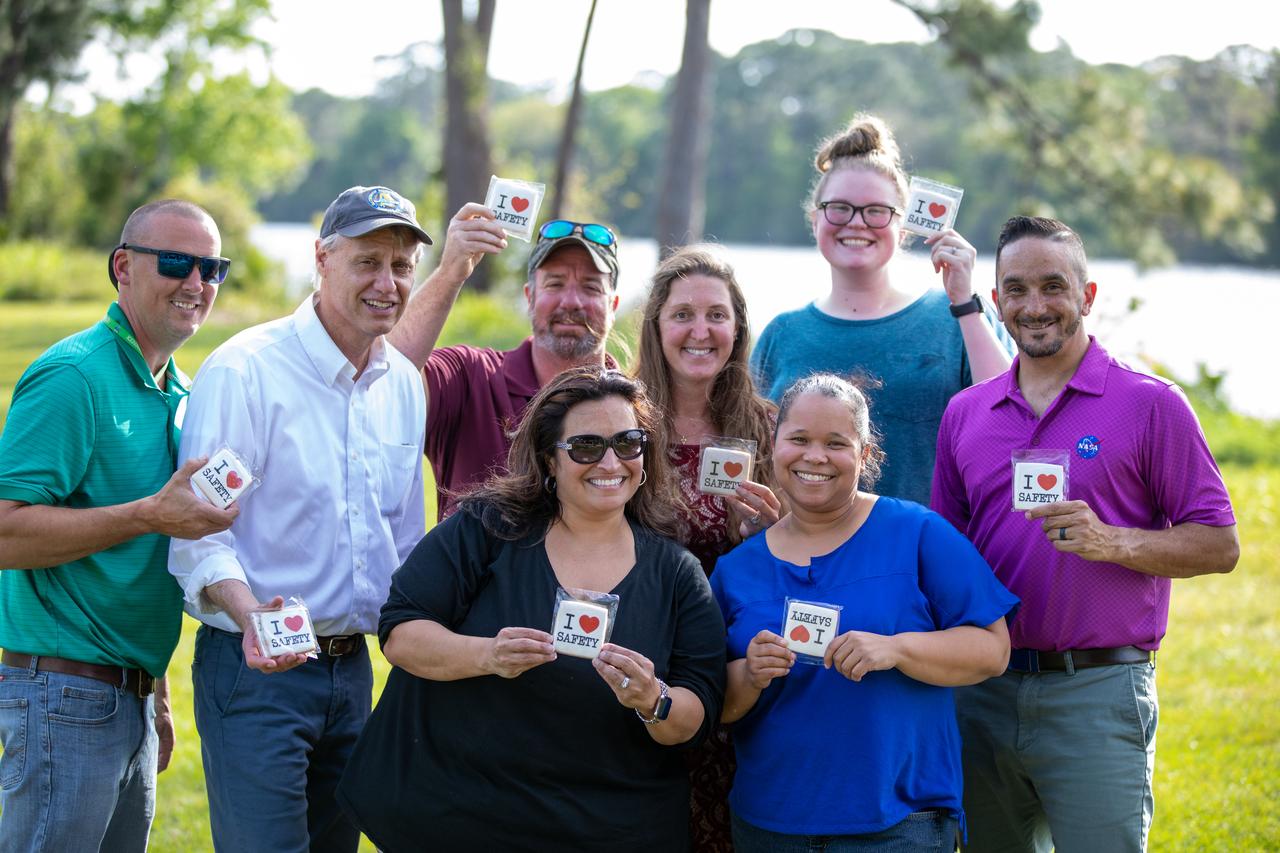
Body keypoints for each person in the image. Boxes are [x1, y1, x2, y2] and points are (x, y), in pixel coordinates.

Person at [931, 215, 1239, 853]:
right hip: (984, 691)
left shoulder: (1151, 404)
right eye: (1015, 289)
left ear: (1087, 296)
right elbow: (945, 557)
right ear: (996, 301)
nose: (1034, 306)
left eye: (1053, 286)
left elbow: (1220, 544)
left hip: (1097, 692)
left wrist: (1115, 542)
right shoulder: (966, 413)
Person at [335, 367, 727, 852]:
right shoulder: (487, 528)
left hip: (608, 830)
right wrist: (487, 656)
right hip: (461, 820)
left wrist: (652, 699)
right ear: (549, 460)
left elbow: (697, 715)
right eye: (586, 446)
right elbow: (400, 632)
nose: (610, 462)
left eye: (628, 443)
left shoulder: (677, 573)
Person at [167, 185, 431, 853]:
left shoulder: (403, 382)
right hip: (256, 674)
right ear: (322, 258)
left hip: (353, 673)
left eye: (401, 266)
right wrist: (250, 612)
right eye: (367, 261)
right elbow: (198, 532)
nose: (387, 282)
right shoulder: (245, 371)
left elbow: (403, 541)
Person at [0, 200, 237, 852]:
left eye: (212, 267)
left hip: (125, 699)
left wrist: (154, 695)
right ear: (123, 267)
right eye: (177, 263)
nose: (197, 283)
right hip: (61, 692)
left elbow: (143, 565)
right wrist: (148, 514)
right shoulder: (74, 376)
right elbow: (5, 532)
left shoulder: (181, 392)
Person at [712, 373, 1017, 851]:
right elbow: (715, 705)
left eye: (836, 443)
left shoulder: (917, 533)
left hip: (897, 824)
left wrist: (897, 649)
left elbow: (993, 650)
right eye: (799, 439)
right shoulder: (735, 570)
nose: (815, 456)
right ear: (773, 448)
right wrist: (751, 673)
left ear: (866, 455)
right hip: (770, 824)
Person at [750, 113, 1013, 506]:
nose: (857, 224)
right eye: (839, 208)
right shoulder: (782, 333)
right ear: (815, 217)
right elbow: (749, 450)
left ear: (903, 225)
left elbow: (1011, 412)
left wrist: (965, 299)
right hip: (806, 558)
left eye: (876, 211)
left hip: (929, 555)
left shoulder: (954, 316)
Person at [632, 245, 781, 851]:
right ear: (656, 326)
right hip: (645, 658)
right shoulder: (624, 421)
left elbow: (809, 550)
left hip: (739, 666)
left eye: (717, 315)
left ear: (738, 327)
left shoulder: (769, 427)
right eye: (683, 315)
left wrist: (761, 538)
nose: (701, 331)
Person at [388, 209, 621, 518]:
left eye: (591, 287)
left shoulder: (635, 412)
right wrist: (450, 273)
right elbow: (387, 375)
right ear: (530, 297)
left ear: (613, 305)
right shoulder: (470, 377)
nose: (571, 302)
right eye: (555, 284)